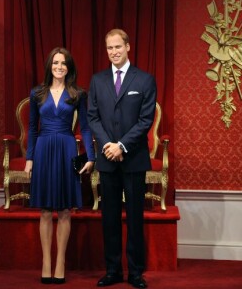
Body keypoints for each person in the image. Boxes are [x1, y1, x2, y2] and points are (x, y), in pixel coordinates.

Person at [87, 29, 156, 289]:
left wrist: (122, 146)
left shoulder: (145, 80)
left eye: (117, 47)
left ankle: (136, 273)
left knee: (135, 218)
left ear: (128, 46)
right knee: (110, 218)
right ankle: (113, 270)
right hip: (107, 159)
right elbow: (92, 117)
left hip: (134, 159)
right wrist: (107, 145)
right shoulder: (97, 80)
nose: (113, 52)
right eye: (109, 48)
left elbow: (145, 121)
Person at [24, 47, 95, 285]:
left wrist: (91, 157)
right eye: (55, 63)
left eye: (63, 63)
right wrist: (29, 159)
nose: (59, 67)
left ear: (69, 67)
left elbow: (84, 128)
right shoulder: (37, 93)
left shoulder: (77, 94)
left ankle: (60, 262)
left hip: (66, 148)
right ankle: (46, 262)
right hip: (43, 149)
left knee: (65, 209)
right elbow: (33, 128)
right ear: (49, 66)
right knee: (45, 210)